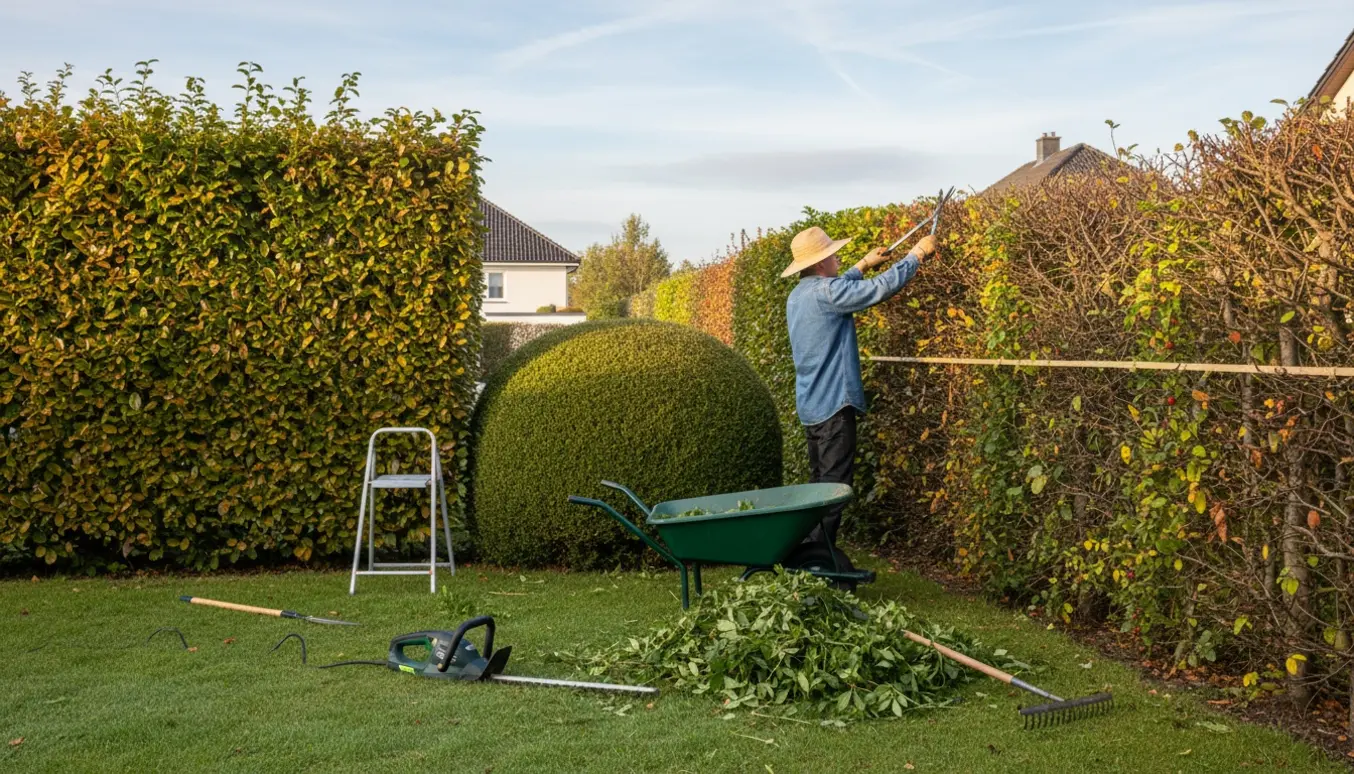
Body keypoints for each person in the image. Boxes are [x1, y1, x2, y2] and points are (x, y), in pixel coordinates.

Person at [781, 226, 938, 571]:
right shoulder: (827, 293)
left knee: (817, 488)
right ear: (822, 263)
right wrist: (916, 256)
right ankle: (816, 564)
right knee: (834, 492)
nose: (838, 258)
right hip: (835, 405)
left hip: (811, 408)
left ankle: (808, 553)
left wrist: (864, 263)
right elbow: (877, 290)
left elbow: (840, 287)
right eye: (834, 255)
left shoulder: (799, 295)